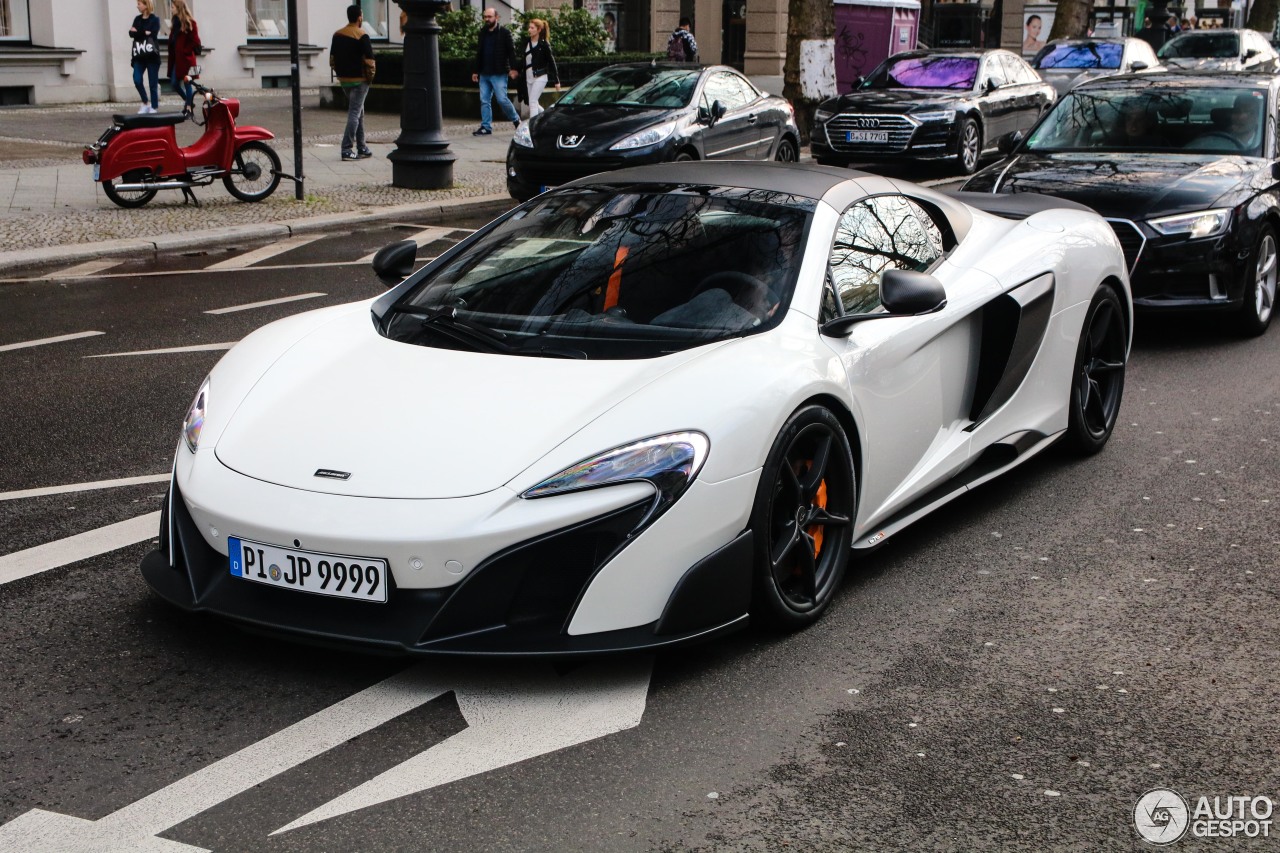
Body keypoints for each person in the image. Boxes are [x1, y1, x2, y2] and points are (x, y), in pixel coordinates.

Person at [331, 4, 376, 161]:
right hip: (360, 80)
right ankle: (347, 148)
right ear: (359, 17)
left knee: (359, 112)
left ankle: (362, 146)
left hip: (344, 80)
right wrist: (369, 78)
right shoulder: (362, 35)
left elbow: (332, 60)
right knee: (355, 113)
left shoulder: (337, 34)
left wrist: (340, 74)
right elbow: (370, 61)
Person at [472, 8, 521, 136]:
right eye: (485, 17)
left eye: (489, 16)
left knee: (502, 99)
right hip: (484, 72)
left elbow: (511, 52)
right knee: (484, 100)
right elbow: (479, 52)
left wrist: (513, 68)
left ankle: (516, 120)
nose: (487, 19)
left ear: (496, 17)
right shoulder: (483, 32)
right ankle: (486, 126)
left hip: (499, 72)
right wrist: (476, 71)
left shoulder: (504, 33)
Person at [516, 18, 560, 119]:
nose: (529, 30)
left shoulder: (544, 45)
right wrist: (515, 70)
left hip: (540, 76)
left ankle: (533, 128)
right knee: (533, 102)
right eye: (529, 28)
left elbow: (551, 62)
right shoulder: (527, 42)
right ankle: (547, 116)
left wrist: (556, 81)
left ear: (539, 30)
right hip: (529, 77)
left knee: (532, 101)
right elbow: (524, 60)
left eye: (532, 28)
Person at [166, 0, 200, 111]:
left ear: (178, 8)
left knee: (187, 82)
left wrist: (185, 51)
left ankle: (188, 107)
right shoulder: (175, 24)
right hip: (177, 59)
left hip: (187, 59)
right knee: (174, 83)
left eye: (172, 7)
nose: (171, 9)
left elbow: (195, 42)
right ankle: (188, 101)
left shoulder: (190, 23)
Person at [129, 0, 162, 114]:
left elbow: (153, 33)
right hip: (139, 56)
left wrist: (138, 32)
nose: (137, 6)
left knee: (153, 83)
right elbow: (131, 33)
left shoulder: (155, 19)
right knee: (137, 79)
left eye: (139, 3)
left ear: (146, 5)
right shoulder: (137, 19)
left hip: (152, 55)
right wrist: (144, 32)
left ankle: (154, 107)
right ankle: (145, 102)